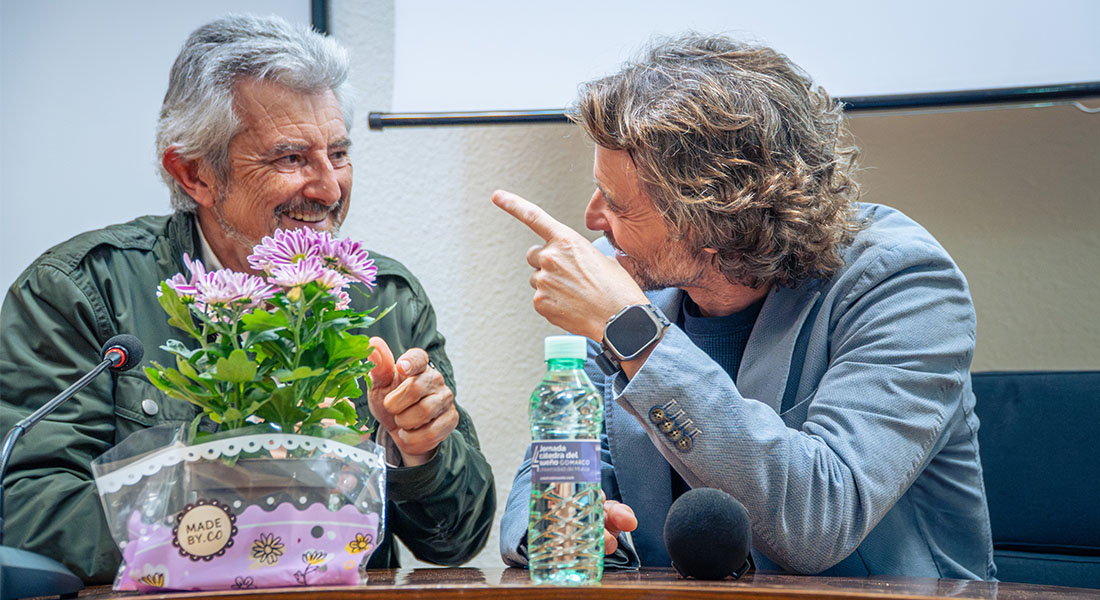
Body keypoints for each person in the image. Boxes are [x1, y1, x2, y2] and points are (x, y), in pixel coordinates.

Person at [0, 15, 494, 583]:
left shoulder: (383, 295)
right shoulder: (80, 291)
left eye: (337, 154)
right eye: (291, 158)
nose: (330, 189)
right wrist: (226, 519)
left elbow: (456, 539)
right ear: (194, 174)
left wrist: (420, 451)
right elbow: (29, 509)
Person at [494, 34, 994, 579]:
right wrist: (575, 526)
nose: (593, 218)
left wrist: (631, 330)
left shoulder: (904, 284)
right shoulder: (627, 276)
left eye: (617, 203)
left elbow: (819, 520)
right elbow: (551, 472)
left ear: (714, 219)